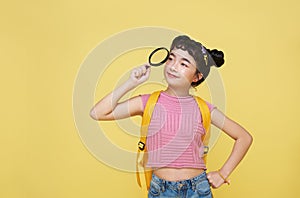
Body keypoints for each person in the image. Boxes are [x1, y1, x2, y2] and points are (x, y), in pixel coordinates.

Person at [90, 35, 253, 197]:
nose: (173, 66)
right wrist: (130, 83)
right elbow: (97, 113)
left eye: (184, 63)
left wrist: (223, 174)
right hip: (160, 190)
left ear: (197, 76)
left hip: (197, 189)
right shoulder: (148, 102)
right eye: (171, 59)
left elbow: (244, 137)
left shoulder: (203, 108)